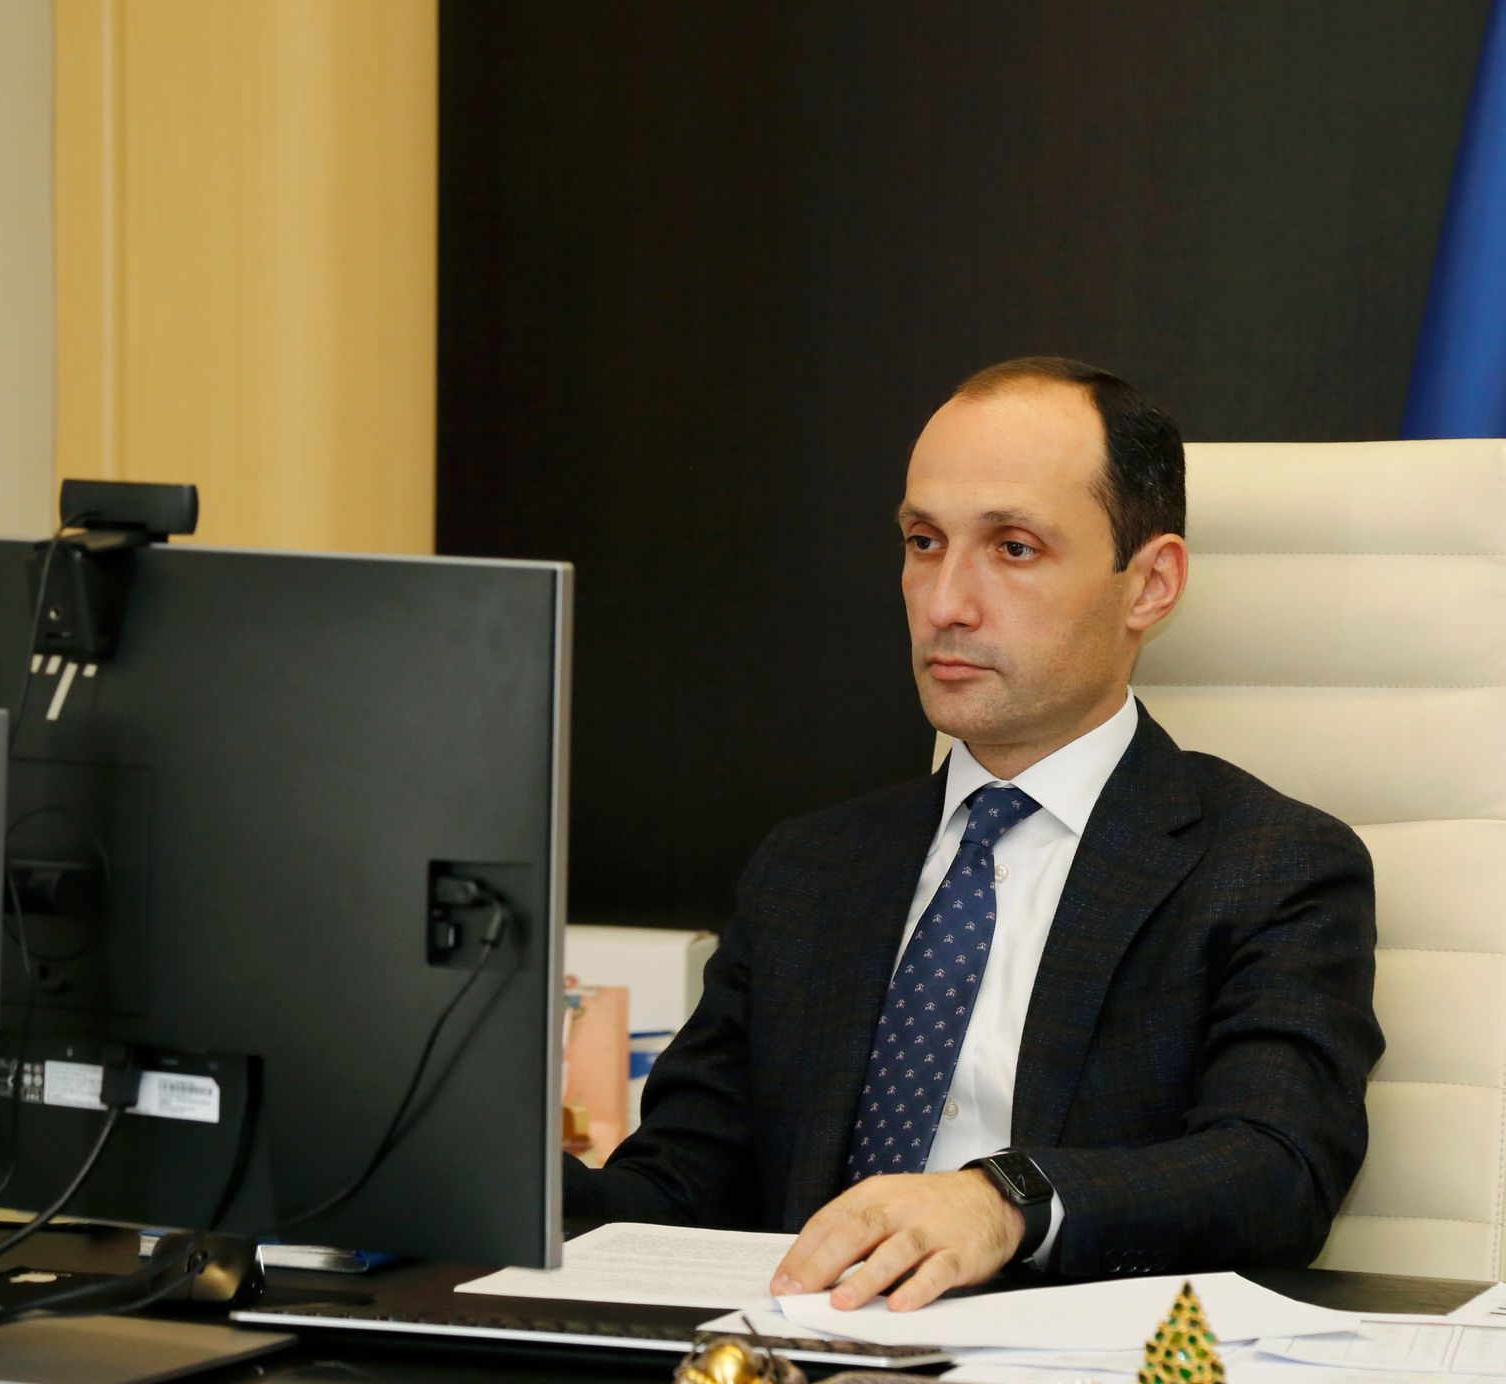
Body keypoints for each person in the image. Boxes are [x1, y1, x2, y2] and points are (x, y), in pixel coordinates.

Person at [564, 357, 1382, 1311]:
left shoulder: (1269, 864)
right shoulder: (810, 868)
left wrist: (1004, 1199)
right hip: (800, 1347)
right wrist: (481, 1178)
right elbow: (675, 1194)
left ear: (1150, 584)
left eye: (1014, 548)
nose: (945, 602)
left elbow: (1277, 1168)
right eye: (923, 542)